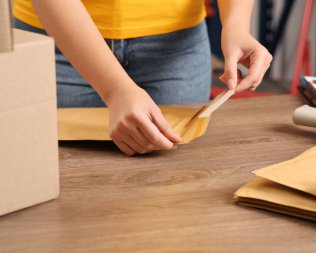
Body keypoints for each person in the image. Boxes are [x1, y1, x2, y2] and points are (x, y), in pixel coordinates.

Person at [13, 0, 272, 156]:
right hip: (58, 43)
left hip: (176, 51)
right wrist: (115, 90)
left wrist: (236, 25)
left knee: (173, 196)